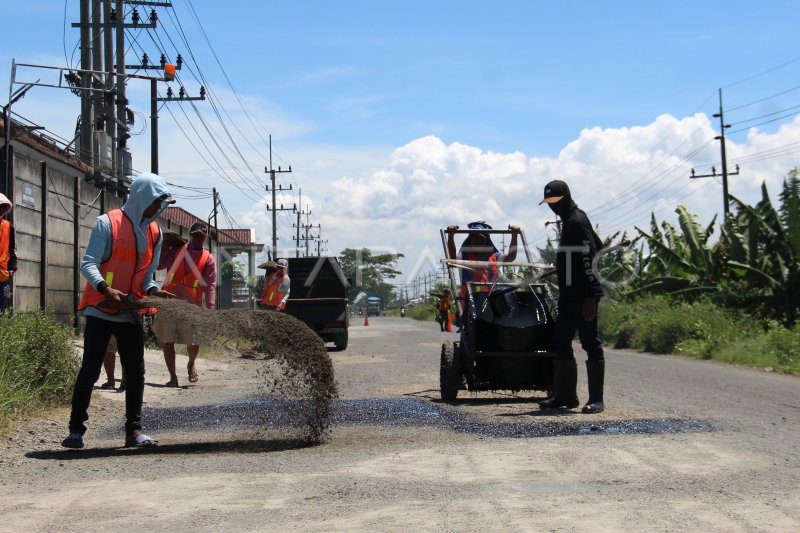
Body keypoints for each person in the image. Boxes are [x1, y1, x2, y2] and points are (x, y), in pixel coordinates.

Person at [62, 173, 175, 449]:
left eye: (160, 206)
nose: (156, 210)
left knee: (136, 371)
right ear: (141, 198)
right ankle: (76, 430)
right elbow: (88, 264)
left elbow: (147, 276)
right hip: (102, 307)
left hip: (130, 309)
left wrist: (152, 291)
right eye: (154, 203)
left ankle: (133, 431)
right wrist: (105, 288)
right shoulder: (106, 224)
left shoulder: (155, 233)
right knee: (90, 369)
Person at [538, 179, 605, 414]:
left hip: (583, 295)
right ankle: (565, 396)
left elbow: (590, 256)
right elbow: (598, 243)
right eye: (548, 203)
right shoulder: (570, 220)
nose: (552, 207)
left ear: (566, 197)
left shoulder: (576, 221)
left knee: (590, 344)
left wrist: (590, 295)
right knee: (560, 341)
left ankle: (596, 400)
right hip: (568, 295)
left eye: (555, 202)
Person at [154, 222, 217, 387]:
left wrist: (210, 309)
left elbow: (210, 286)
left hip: (192, 306)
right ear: (190, 235)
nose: (198, 238)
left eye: (201, 236)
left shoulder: (208, 258)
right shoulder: (175, 251)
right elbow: (157, 265)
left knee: (194, 342)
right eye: (195, 234)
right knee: (168, 341)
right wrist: (162, 248)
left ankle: (191, 363)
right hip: (169, 302)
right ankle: (173, 377)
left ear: (205, 237)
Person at [446, 221, 520, 304]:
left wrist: (514, 235)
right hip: (470, 303)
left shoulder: (495, 256)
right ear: (470, 240)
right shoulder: (463, 256)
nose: (477, 242)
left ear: (486, 241)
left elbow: (511, 257)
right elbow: (451, 258)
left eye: (481, 239)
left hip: (492, 301)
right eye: (474, 238)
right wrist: (451, 236)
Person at [0, 193, 18, 315]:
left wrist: (12, 267)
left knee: (1, 307)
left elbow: (12, 249)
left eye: (2, 207)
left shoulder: (8, 226)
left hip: (2, 274)